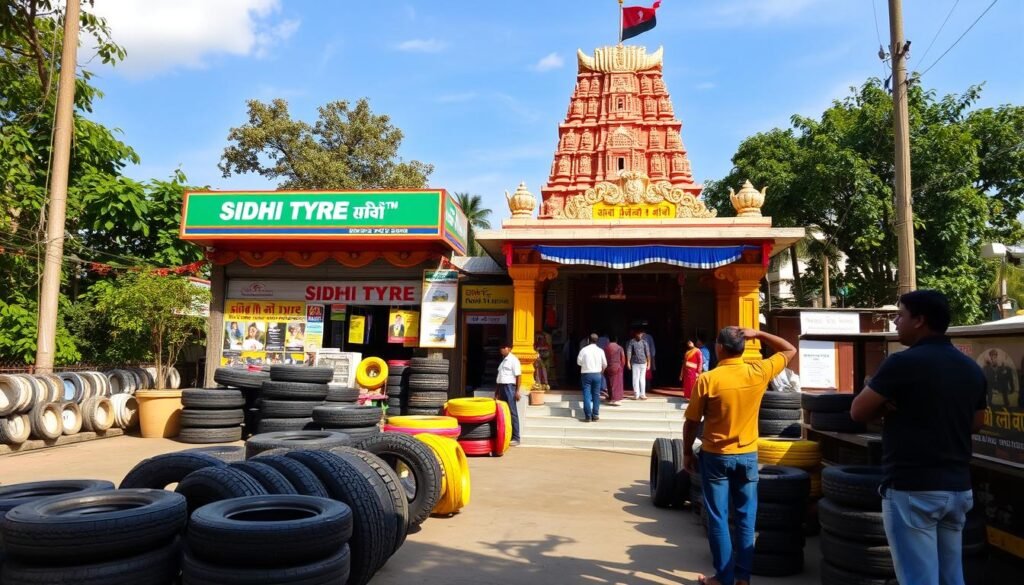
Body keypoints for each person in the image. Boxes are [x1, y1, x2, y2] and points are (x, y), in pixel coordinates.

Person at [850, 290, 986, 585]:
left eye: (900, 315)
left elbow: (858, 411)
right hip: (958, 489)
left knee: (918, 579)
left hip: (913, 489)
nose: (895, 322)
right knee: (951, 577)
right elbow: (976, 424)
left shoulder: (902, 363)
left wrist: (885, 406)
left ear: (920, 320)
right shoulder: (971, 367)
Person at [682, 326, 795, 585]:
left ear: (720, 348)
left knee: (719, 518)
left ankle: (723, 578)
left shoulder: (708, 379)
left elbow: (692, 422)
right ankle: (743, 577)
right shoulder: (759, 371)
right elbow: (790, 349)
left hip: (716, 456)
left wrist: (687, 452)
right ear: (743, 347)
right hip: (747, 456)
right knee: (746, 519)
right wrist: (760, 334)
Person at [495, 341, 522, 446]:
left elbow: (518, 376)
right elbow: (499, 378)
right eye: (501, 348)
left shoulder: (513, 360)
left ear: (509, 349)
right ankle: (507, 436)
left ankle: (516, 437)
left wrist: (517, 391)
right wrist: (497, 392)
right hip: (501, 387)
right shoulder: (503, 361)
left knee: (512, 412)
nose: (502, 349)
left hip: (510, 388)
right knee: (503, 412)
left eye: (504, 347)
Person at [577, 333, 607, 422]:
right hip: (597, 374)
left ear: (588, 340)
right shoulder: (600, 351)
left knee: (587, 394)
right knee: (596, 394)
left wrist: (586, 365)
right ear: (597, 341)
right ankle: (595, 414)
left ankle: (588, 416)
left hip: (586, 374)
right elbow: (605, 364)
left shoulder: (584, 350)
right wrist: (601, 372)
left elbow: (579, 362)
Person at [626, 329, 652, 400]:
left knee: (642, 379)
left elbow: (648, 353)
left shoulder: (644, 342)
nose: (640, 335)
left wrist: (649, 363)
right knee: (635, 378)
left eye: (641, 334)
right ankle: (636, 394)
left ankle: (643, 394)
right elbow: (629, 352)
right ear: (636, 334)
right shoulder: (632, 342)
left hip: (643, 362)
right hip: (635, 363)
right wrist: (628, 362)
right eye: (639, 334)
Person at [604, 334, 626, 406]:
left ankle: (610, 397)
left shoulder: (606, 347)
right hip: (617, 366)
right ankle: (616, 399)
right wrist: (621, 367)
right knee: (617, 383)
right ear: (616, 340)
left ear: (609, 340)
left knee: (609, 383)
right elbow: (623, 358)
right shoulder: (619, 347)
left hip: (608, 366)